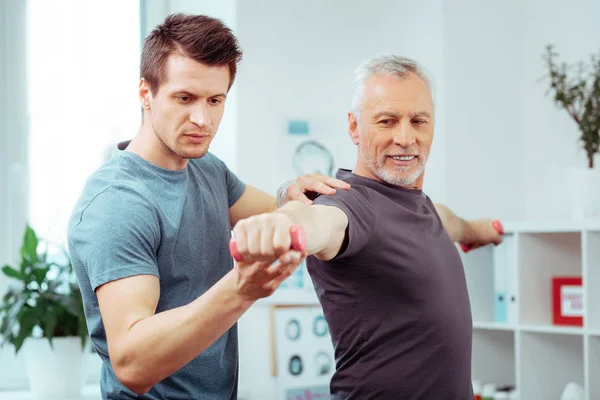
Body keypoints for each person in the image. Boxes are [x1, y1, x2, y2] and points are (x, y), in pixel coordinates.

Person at [67, 13, 349, 400]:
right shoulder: (117, 204)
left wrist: (293, 193)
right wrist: (242, 290)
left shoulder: (206, 168)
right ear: (145, 94)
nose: (202, 119)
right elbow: (132, 365)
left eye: (215, 100)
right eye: (184, 98)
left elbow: (275, 212)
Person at [231, 55, 504, 399]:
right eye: (387, 121)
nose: (405, 137)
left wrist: (478, 230)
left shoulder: (420, 206)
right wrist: (278, 225)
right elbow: (317, 222)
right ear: (354, 127)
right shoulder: (350, 203)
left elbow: (446, 221)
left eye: (418, 121)